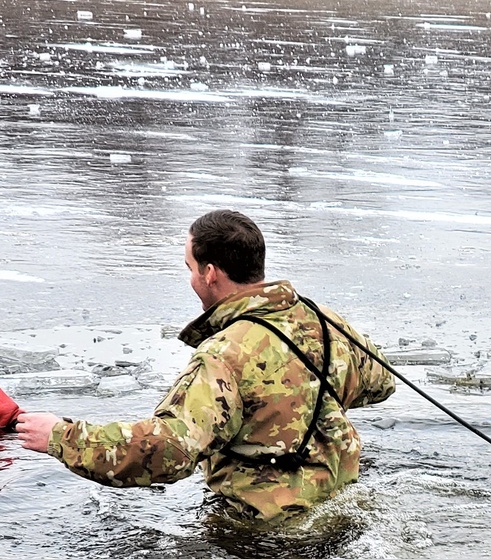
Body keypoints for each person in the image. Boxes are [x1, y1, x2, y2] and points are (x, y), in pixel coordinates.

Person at [14, 210, 395, 519]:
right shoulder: (324, 321)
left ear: (210, 273)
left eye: (190, 267)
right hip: (341, 512)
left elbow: (169, 451)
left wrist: (61, 437)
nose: (191, 279)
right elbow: (380, 383)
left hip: (264, 534)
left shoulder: (224, 354)